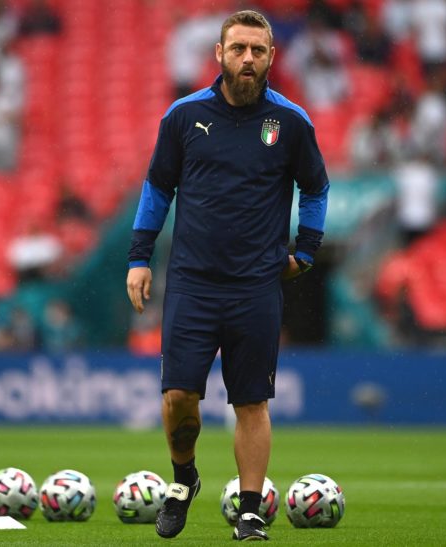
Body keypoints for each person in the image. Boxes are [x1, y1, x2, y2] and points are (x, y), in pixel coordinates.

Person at [125, 10, 329, 542]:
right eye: (238, 48)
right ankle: (184, 478)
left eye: (257, 51)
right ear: (218, 53)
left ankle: (250, 509)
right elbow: (157, 187)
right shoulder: (184, 115)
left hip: (255, 286)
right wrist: (139, 257)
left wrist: (306, 250)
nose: (247, 59)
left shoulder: (290, 122)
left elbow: (317, 188)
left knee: (251, 403)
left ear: (271, 57)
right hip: (192, 283)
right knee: (178, 399)